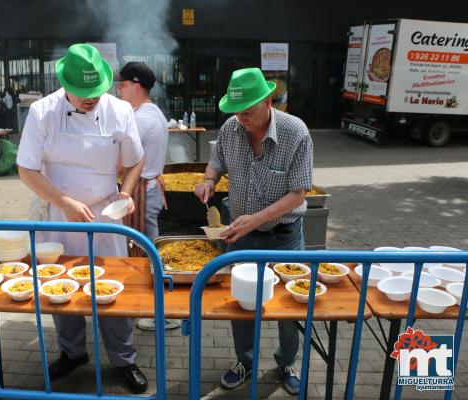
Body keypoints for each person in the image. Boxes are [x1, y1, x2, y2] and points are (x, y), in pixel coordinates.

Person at [16, 44, 148, 393]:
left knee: (112, 287)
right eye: (83, 94)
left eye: (97, 92)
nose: (92, 99)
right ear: (65, 85)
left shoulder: (120, 111)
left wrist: (126, 191)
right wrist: (66, 202)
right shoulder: (43, 112)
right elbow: (26, 168)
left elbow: (135, 160)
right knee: (62, 285)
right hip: (58, 212)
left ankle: (124, 358)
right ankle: (73, 353)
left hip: (106, 214)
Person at [194, 67, 313, 395]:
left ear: (268, 101)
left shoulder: (296, 132)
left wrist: (257, 219)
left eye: (246, 112)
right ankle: (244, 360)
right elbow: (216, 162)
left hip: (283, 235)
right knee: (241, 301)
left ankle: (286, 360)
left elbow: (299, 192)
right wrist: (207, 181)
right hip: (241, 232)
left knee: (288, 305)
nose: (240, 119)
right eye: (235, 112)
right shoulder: (232, 127)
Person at [116, 62, 180, 331]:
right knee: (145, 248)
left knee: (145, 251)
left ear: (136, 86)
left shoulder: (141, 118)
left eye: (122, 84)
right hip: (149, 187)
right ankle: (152, 307)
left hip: (142, 190)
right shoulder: (153, 111)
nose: (119, 89)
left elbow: (124, 162)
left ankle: (158, 312)